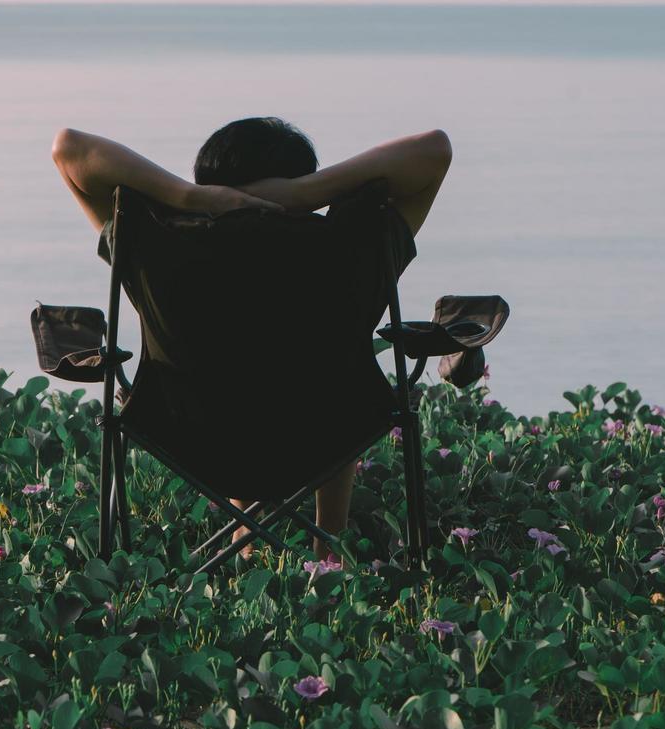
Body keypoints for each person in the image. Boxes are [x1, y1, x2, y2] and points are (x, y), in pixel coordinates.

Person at [52, 117, 452, 560]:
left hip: (198, 440)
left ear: (211, 185)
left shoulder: (155, 246)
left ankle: (247, 543)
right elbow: (434, 150)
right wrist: (307, 194)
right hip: (325, 434)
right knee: (326, 377)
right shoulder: (353, 245)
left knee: (239, 365)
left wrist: (190, 198)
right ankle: (327, 554)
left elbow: (68, 149)